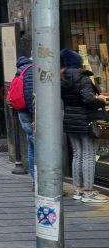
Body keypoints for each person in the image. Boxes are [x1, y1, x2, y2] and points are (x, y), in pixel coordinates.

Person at [61, 49, 109, 203]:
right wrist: (101, 100)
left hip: (70, 119)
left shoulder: (61, 77)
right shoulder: (81, 77)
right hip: (85, 119)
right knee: (88, 154)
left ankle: (79, 190)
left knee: (77, 154)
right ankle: (88, 192)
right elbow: (89, 100)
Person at [12, 56, 35, 181]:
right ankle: (40, 182)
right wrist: (34, 116)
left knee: (32, 147)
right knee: (39, 148)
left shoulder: (20, 72)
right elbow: (30, 95)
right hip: (30, 114)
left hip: (22, 112)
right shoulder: (30, 71)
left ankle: (35, 179)